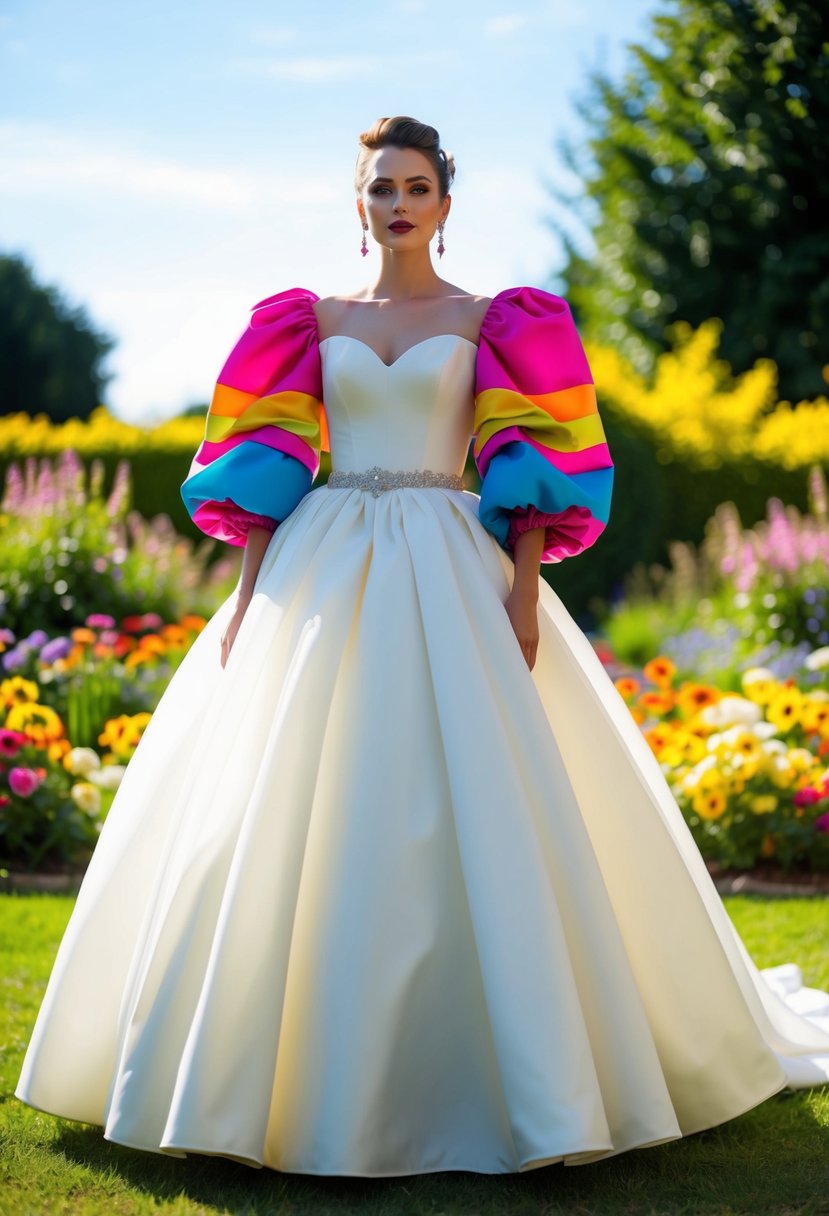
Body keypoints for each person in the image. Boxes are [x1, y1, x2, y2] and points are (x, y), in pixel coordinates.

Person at [14, 115, 829, 1177]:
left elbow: (524, 464)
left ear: (446, 202)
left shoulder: (499, 318)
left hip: (455, 557)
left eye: (414, 186)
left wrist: (525, 592)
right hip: (324, 555)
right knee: (292, 799)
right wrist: (253, 591)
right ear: (358, 203)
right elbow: (265, 467)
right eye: (379, 188)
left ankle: (522, 1074)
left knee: (483, 799)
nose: (396, 203)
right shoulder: (304, 318)